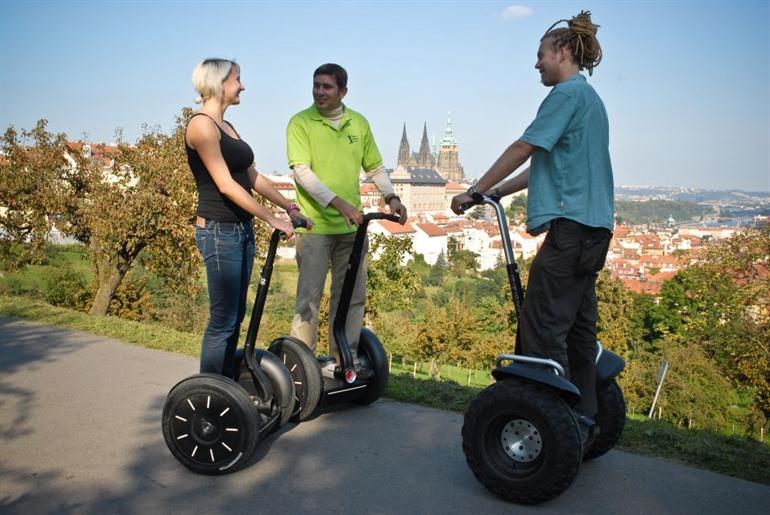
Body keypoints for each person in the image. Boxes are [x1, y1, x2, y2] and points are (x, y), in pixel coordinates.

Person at [451, 11, 613, 432]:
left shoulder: (564, 95)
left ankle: (546, 423)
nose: (536, 63)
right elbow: (545, 161)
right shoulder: (591, 99)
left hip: (571, 229)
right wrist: (497, 193)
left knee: (541, 327)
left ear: (561, 52)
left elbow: (524, 147)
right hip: (594, 231)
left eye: (540, 54)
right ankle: (585, 418)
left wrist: (473, 190)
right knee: (577, 329)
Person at [186, 58, 312, 378]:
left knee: (236, 315)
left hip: (239, 230)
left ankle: (225, 386)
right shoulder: (201, 126)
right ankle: (210, 393)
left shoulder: (227, 127)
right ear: (219, 83)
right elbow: (226, 185)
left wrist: (289, 207)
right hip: (218, 231)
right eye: (237, 79)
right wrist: (272, 220)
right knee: (223, 320)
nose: (242, 85)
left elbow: (253, 178)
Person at [286, 63, 407, 378]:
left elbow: (376, 168)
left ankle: (345, 361)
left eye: (327, 87)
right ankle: (302, 367)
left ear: (343, 91)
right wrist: (338, 203)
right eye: (316, 85)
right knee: (308, 300)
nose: (320, 92)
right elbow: (302, 172)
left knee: (352, 298)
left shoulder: (358, 124)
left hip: (352, 229)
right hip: (315, 227)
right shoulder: (301, 123)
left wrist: (391, 197)